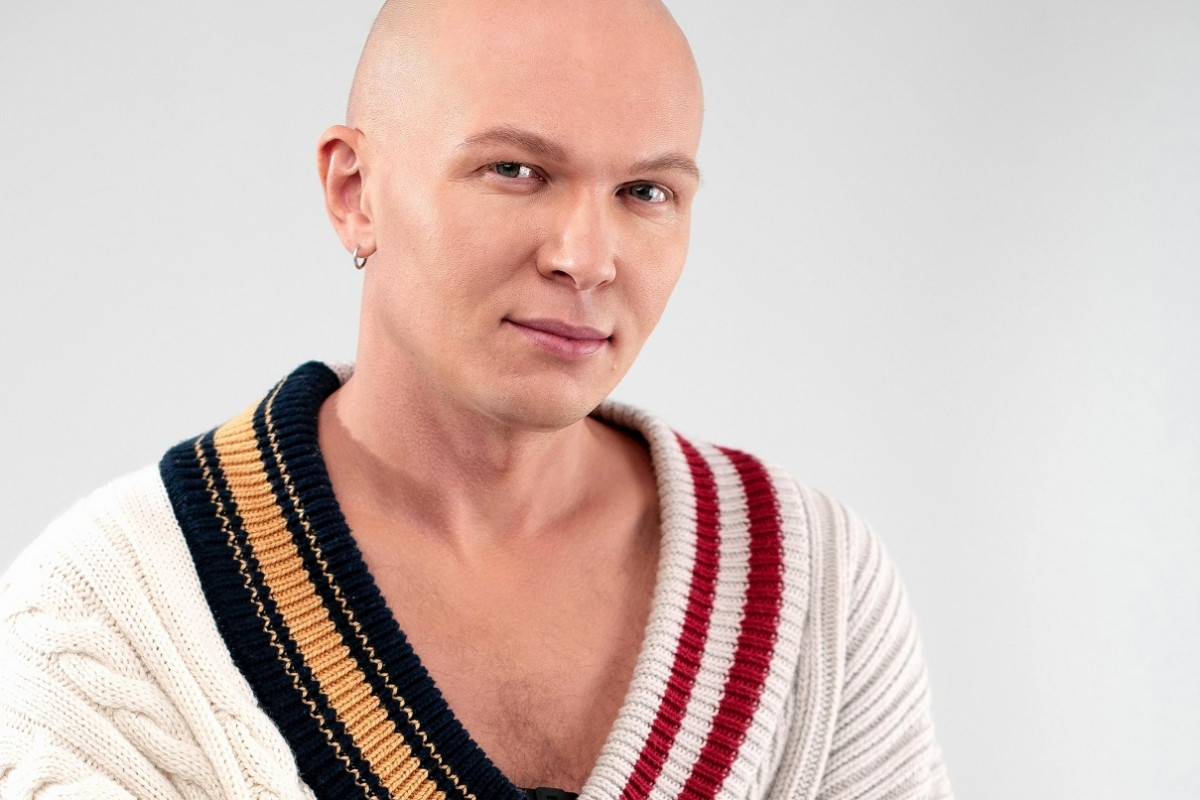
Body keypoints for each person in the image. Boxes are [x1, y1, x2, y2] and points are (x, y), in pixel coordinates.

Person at [0, 1, 951, 798]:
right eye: (516, 172)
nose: (587, 258)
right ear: (354, 189)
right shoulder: (111, 612)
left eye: (645, 191)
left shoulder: (815, 585)